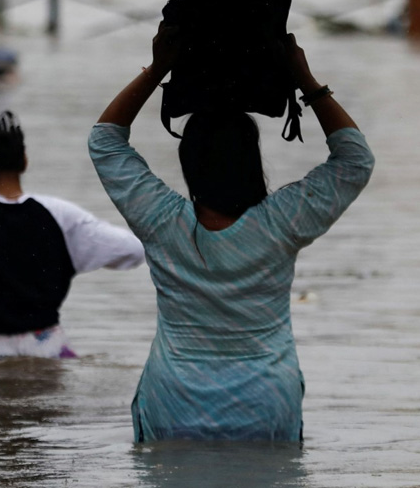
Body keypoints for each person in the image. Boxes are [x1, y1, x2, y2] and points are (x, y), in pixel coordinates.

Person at [88, 25, 374, 441]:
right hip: (266, 403)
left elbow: (105, 142)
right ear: (251, 162)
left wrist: (157, 69)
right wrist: (306, 82)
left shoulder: (162, 220)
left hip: (174, 401)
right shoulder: (283, 222)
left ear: (189, 164)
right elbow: (355, 160)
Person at [0, 111, 145, 362]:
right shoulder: (60, 214)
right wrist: (76, 257)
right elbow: (133, 249)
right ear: (25, 161)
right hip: (47, 347)